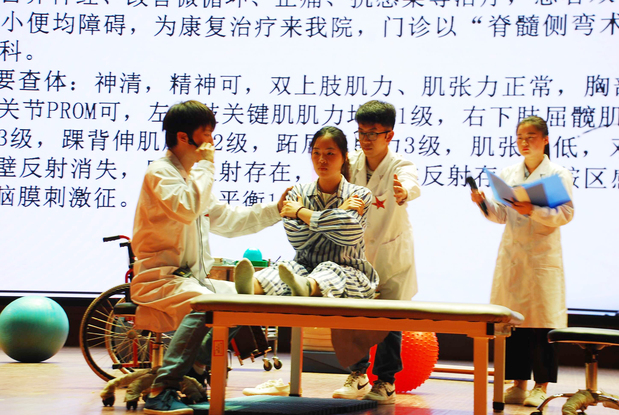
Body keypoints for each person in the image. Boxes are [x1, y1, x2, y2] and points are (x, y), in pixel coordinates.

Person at [131, 100, 286, 415]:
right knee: (206, 306)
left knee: (244, 301)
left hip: (191, 279)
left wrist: (276, 210)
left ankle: (194, 374)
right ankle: (161, 391)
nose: (212, 142)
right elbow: (187, 209)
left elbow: (229, 220)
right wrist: (206, 166)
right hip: (160, 278)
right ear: (184, 137)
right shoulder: (160, 172)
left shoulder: (192, 179)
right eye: (206, 134)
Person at [470, 116, 574, 407]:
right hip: (514, 256)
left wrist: (533, 210)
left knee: (542, 325)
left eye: (531, 137)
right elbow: (503, 215)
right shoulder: (509, 173)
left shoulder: (557, 174)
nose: (524, 142)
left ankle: (540, 386)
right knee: (514, 324)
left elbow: (566, 214)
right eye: (520, 138)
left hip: (542, 256)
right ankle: (517, 384)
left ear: (545, 140)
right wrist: (483, 203)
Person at [331, 100, 421, 405]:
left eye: (373, 133)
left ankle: (386, 382)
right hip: (355, 253)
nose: (366, 140)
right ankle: (357, 374)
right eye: (361, 133)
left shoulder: (401, 165)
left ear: (389, 135)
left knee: (388, 319)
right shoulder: (351, 162)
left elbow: (410, 184)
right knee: (352, 314)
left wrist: (404, 192)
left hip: (390, 252)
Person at [234, 125, 378, 300]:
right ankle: (252, 285)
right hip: (304, 267)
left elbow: (349, 234)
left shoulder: (359, 194)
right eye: (316, 153)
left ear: (344, 157)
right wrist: (339, 212)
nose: (321, 159)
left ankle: (308, 285)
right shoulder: (297, 192)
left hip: (348, 271)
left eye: (329, 153)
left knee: (331, 270)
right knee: (286, 268)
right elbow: (297, 239)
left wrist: (301, 212)